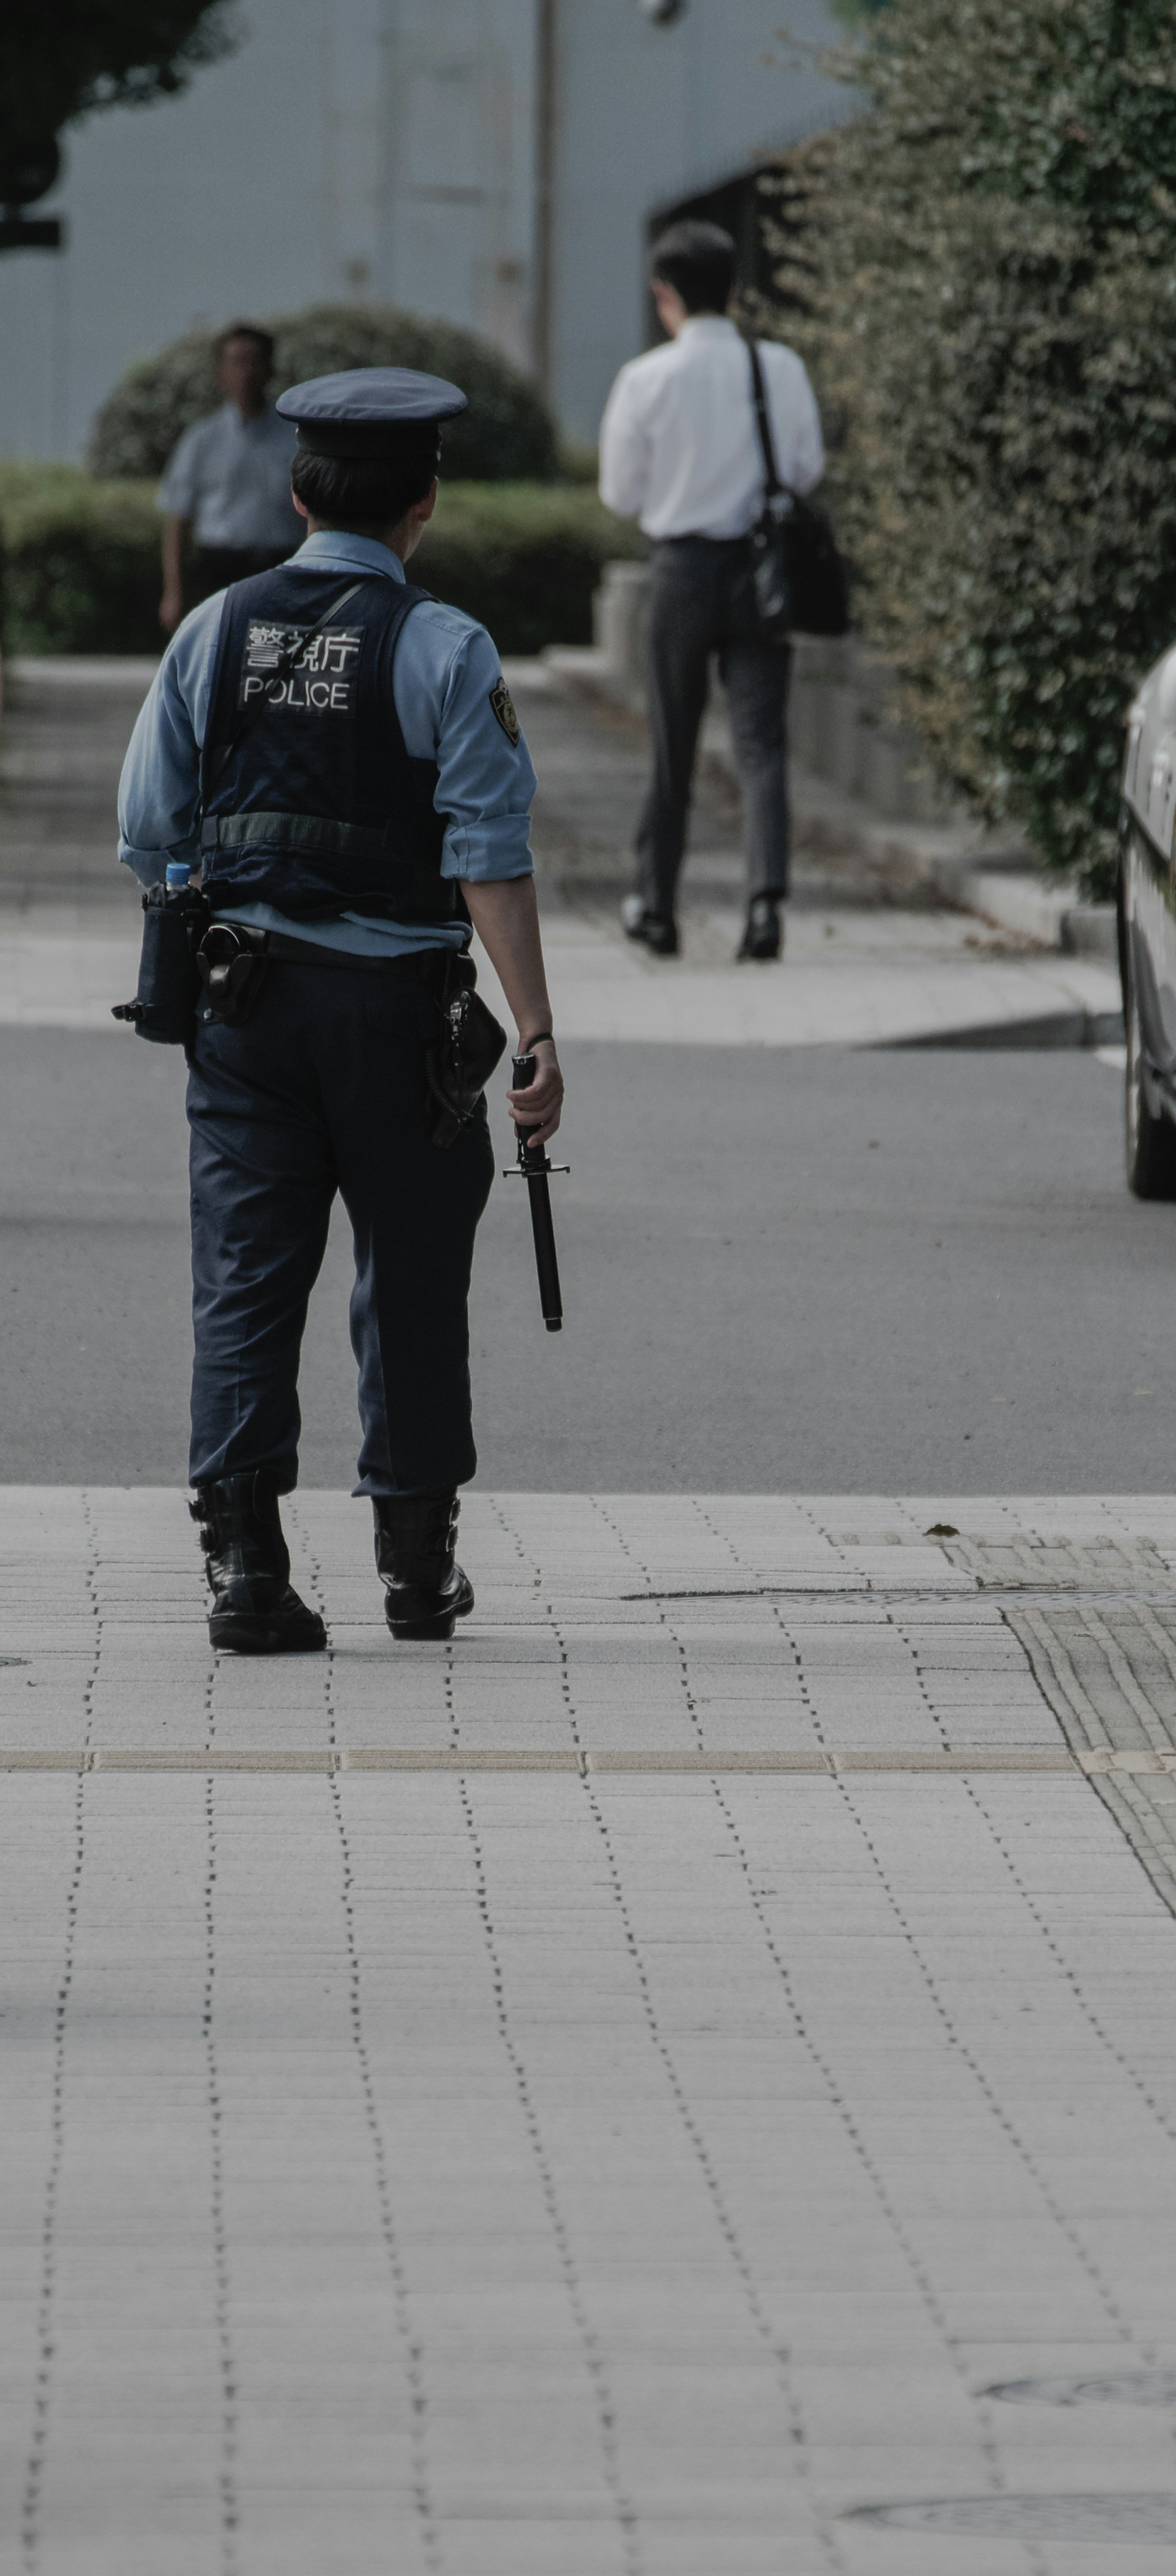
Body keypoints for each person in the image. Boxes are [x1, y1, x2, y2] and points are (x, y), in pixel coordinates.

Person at [117, 366, 566, 1654]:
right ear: (425, 501)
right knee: (414, 1282)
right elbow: (488, 853)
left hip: (245, 1014)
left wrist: (213, 906)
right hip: (401, 1022)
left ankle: (247, 1568)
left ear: (294, 489)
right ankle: (418, 1571)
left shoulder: (213, 629)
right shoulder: (446, 648)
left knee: (248, 1282)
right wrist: (533, 1034)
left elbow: (148, 826)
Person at [599, 219, 825, 962]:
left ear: (663, 293)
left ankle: (656, 907)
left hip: (681, 573)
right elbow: (804, 469)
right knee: (763, 745)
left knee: (674, 745)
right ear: (734, 290)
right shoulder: (779, 368)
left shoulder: (645, 378)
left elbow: (620, 495)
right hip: (761, 572)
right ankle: (765, 908)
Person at [158, 324, 302, 632]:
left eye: (255, 362)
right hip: (218, 570)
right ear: (220, 373)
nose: (246, 373)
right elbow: (178, 521)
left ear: (271, 370)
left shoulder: (296, 438)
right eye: (237, 363)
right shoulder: (201, 440)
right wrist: (174, 592)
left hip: (279, 567)